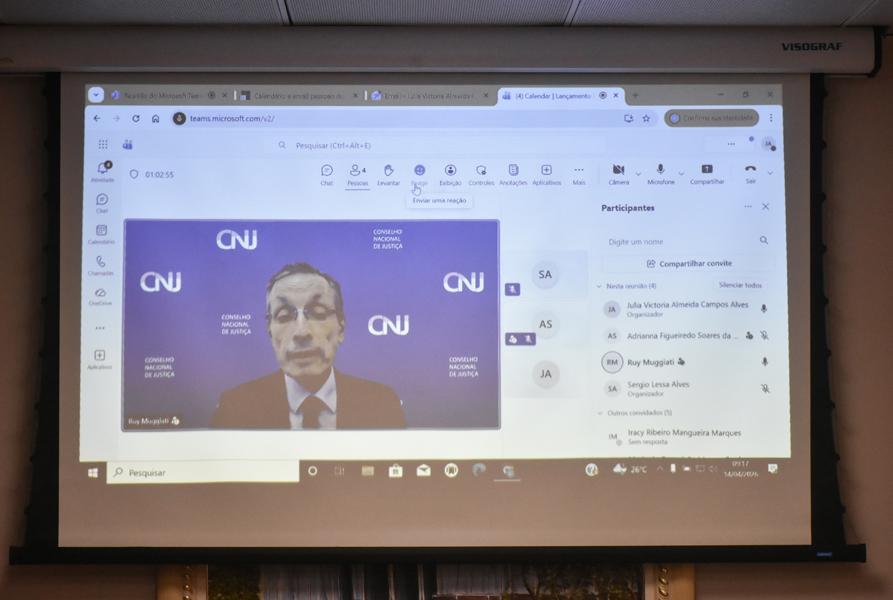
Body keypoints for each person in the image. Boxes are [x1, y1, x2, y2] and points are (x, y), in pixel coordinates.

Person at [211, 262, 406, 429]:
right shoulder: (235, 409)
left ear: (340, 328)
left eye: (318, 313)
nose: (302, 332)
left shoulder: (382, 404)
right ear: (270, 330)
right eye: (284, 316)